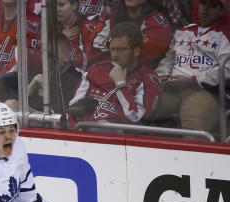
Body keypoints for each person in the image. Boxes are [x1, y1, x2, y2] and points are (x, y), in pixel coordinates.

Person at [154, 0, 230, 136]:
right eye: (203, 3)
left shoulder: (225, 35)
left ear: (221, 11)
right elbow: (169, 60)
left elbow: (227, 70)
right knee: (145, 108)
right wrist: (161, 76)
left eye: (212, 6)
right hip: (172, 89)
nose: (205, 10)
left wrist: (193, 80)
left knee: (192, 129)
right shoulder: (183, 31)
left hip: (206, 91)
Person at [68, 21, 163, 126]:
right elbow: (73, 109)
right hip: (85, 132)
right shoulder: (94, 70)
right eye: (112, 49)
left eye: (122, 50)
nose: (115, 55)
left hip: (120, 137)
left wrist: (121, 84)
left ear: (136, 51)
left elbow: (136, 119)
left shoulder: (149, 79)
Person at [95, 0, 173, 67]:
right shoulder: (113, 16)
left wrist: (110, 41)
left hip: (148, 75)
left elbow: (144, 56)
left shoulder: (158, 22)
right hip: (110, 69)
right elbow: (96, 45)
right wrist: (134, 40)